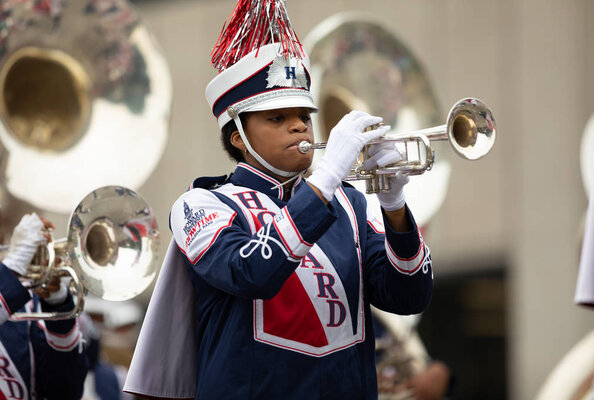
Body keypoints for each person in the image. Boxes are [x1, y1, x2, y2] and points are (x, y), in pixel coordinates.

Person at [124, 1, 433, 399]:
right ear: (238, 137)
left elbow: (409, 297)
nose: (298, 125)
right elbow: (250, 271)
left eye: (304, 114)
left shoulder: (349, 205)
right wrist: (323, 181)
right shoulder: (202, 205)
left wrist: (394, 205)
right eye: (276, 117)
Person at [0, 212, 88, 399]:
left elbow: (67, 391)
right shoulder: (9, 290)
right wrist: (13, 266)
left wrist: (58, 304)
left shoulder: (26, 300)